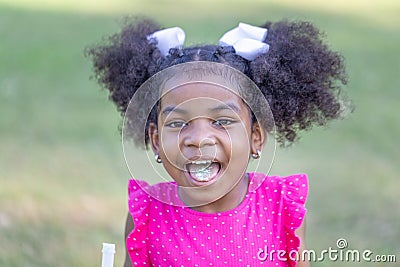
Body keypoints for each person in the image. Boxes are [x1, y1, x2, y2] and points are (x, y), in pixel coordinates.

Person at [86, 17, 348, 267]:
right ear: (155, 140)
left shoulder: (281, 207)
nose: (199, 139)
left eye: (222, 121)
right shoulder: (147, 214)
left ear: (256, 137)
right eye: (178, 123)